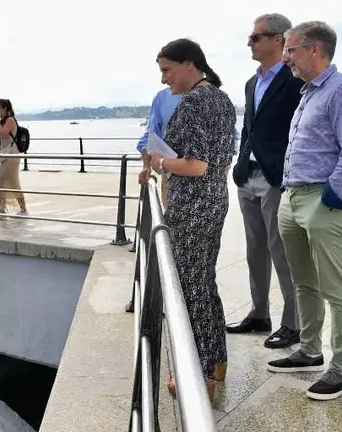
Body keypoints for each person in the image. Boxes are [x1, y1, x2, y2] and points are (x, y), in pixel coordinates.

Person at [268, 21, 342, 401]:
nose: (286, 57)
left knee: (335, 288)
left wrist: (330, 198)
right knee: (303, 282)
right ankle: (310, 350)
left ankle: (341, 370)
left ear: (315, 50)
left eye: (291, 50)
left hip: (321, 200)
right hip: (291, 197)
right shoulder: (308, 92)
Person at [147, 38, 236, 400]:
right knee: (203, 282)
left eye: (167, 70)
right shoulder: (221, 99)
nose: (164, 79)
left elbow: (196, 165)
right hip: (214, 199)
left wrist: (161, 163)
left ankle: (200, 375)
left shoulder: (196, 103)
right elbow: (220, 160)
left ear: (189, 64)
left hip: (193, 207)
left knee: (190, 288)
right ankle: (215, 362)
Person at [227, 13, 304, 349]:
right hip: (248, 176)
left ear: (280, 39)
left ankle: (294, 324)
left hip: (276, 178)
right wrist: (240, 162)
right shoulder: (251, 82)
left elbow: (302, 129)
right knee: (255, 250)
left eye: (257, 37)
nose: (250, 43)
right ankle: (260, 314)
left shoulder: (295, 80)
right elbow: (249, 128)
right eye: (250, 37)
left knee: (281, 251)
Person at [137, 88, 182, 207]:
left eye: (167, 70)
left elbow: (229, 139)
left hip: (209, 182)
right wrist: (146, 165)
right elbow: (150, 136)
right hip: (171, 177)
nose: (164, 79)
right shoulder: (163, 97)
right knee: (170, 223)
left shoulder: (213, 96)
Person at [0, 99, 28, 220]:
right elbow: (5, 140)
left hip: (12, 156)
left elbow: (4, 133)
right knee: (6, 182)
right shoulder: (4, 121)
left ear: (5, 109)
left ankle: (20, 210)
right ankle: (5, 210)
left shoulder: (10, 120)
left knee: (8, 182)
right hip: (8, 155)